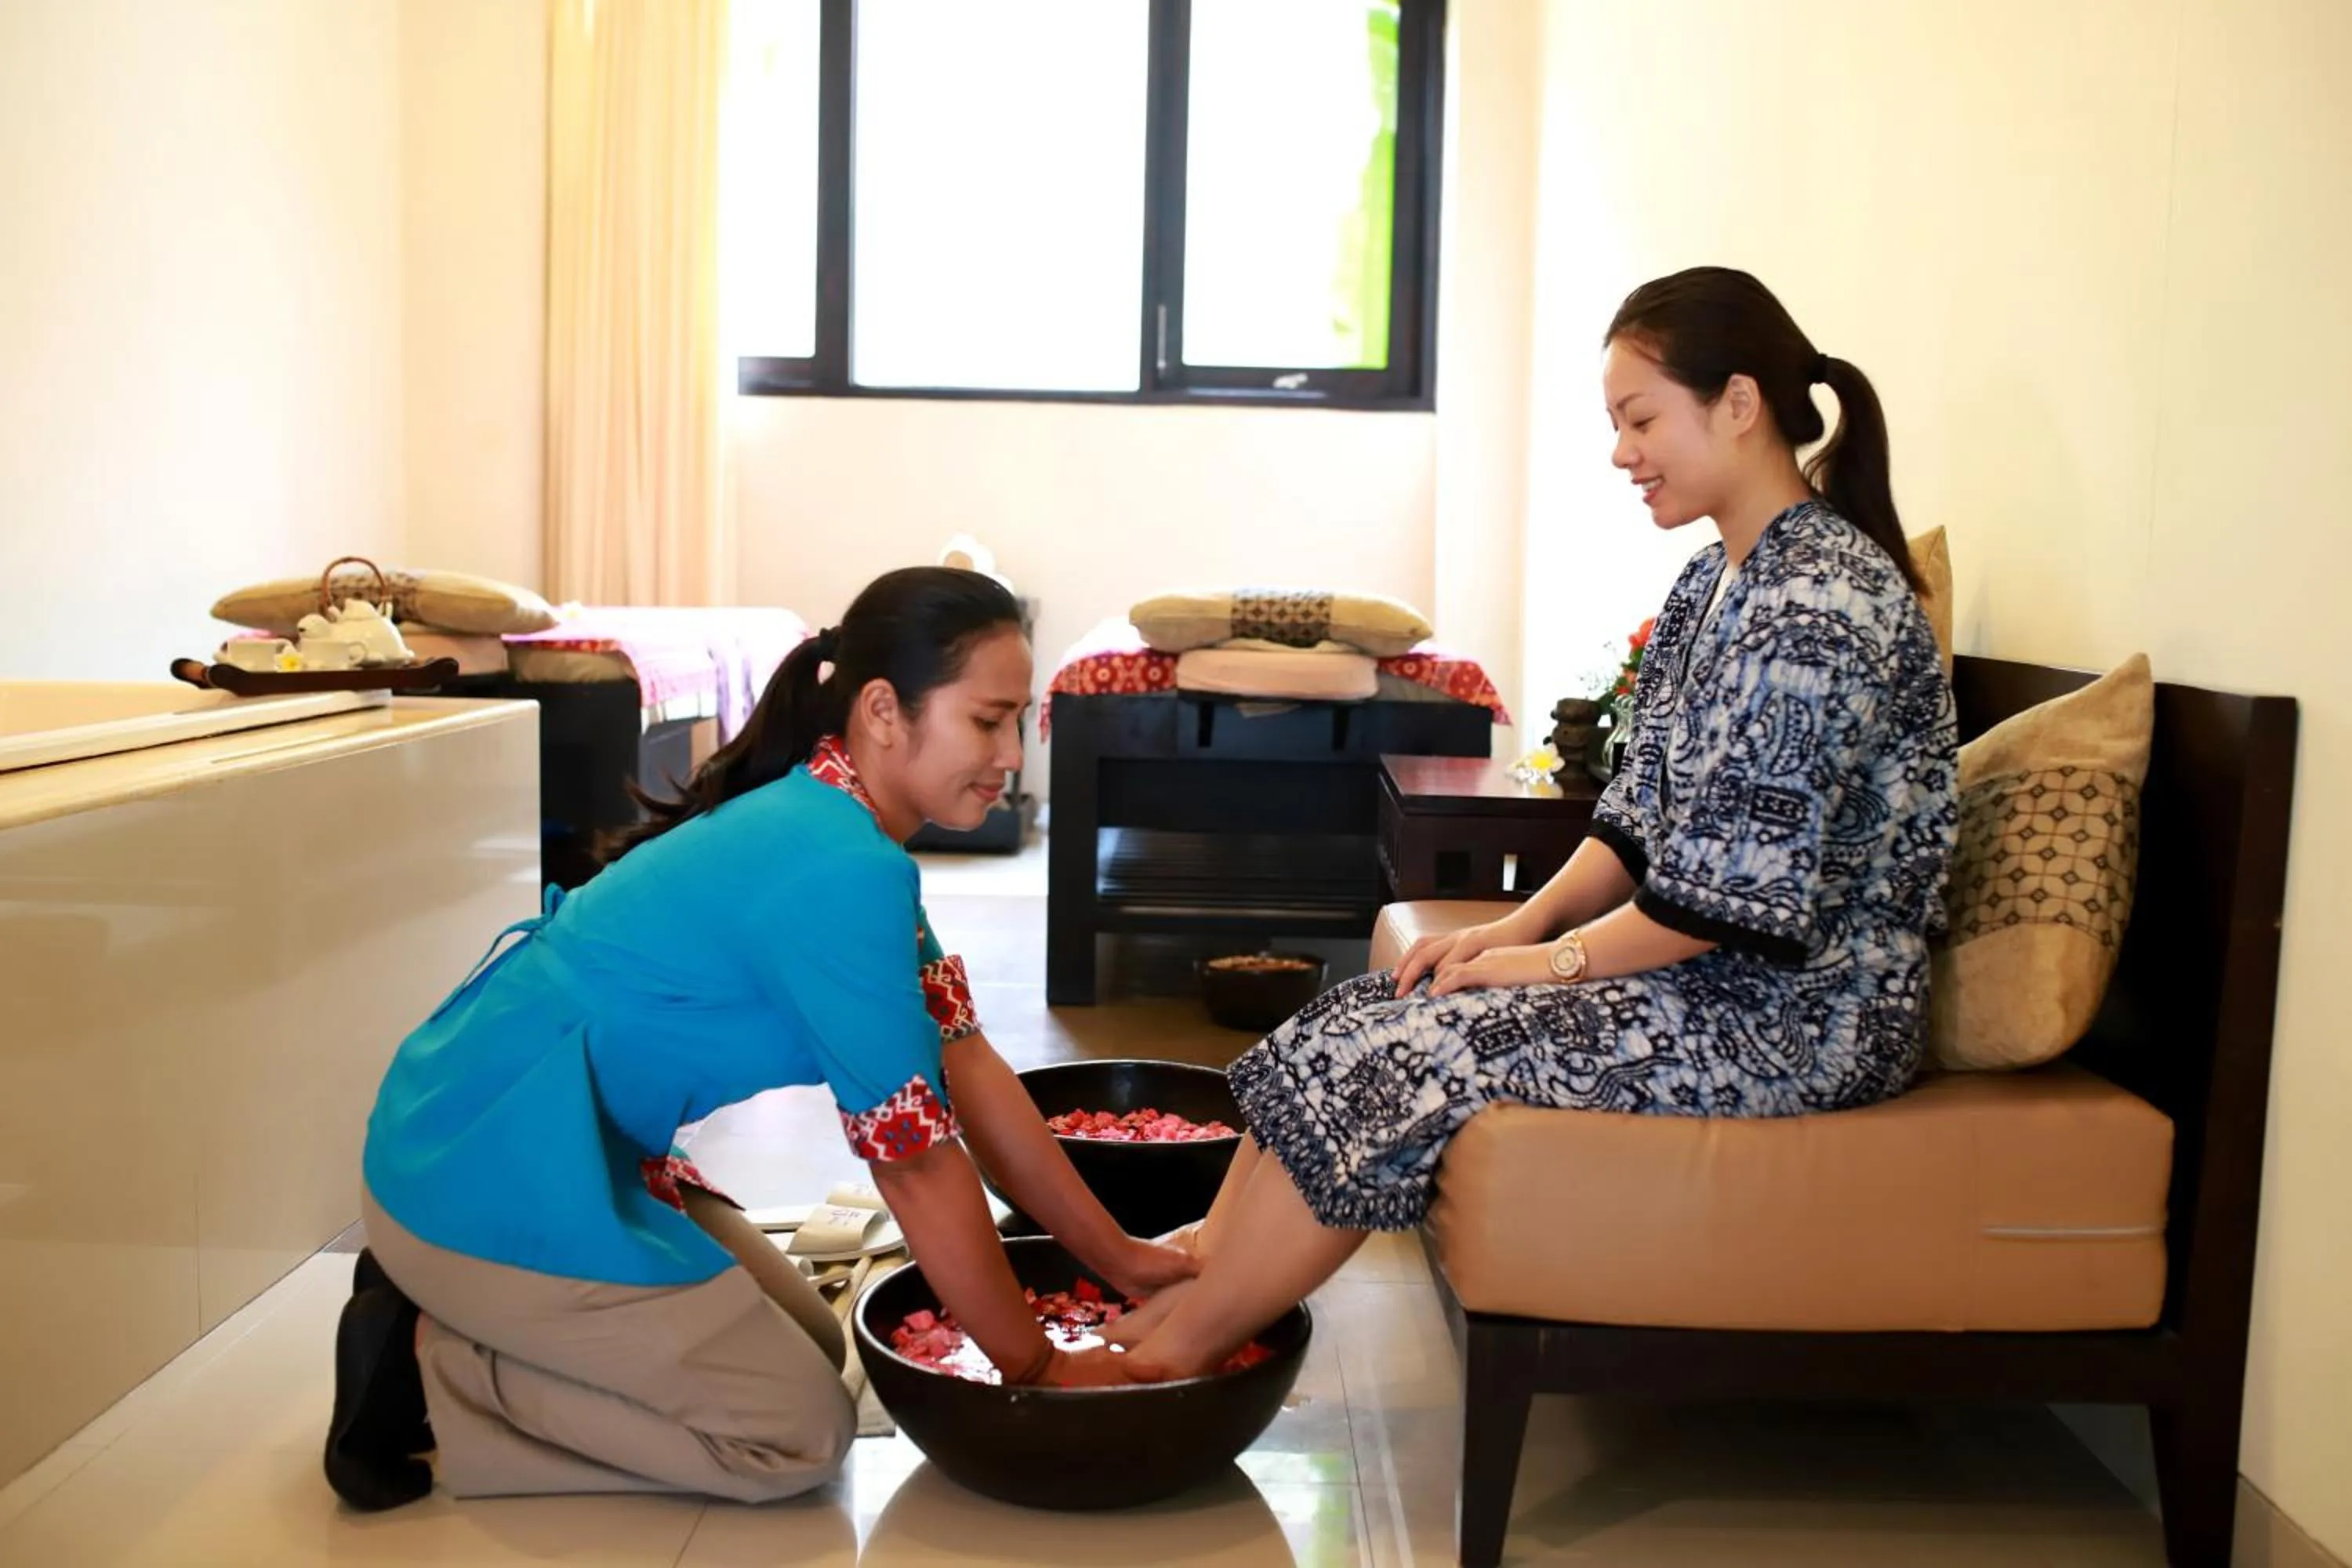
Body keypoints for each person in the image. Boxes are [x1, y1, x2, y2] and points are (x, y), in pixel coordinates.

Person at [1105, 266, 1959, 1380]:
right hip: (1720, 980)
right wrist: (1505, 934)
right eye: (1617, 424)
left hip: (1802, 1017)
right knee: (1370, 1006)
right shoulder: (1717, 585)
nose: (1622, 453)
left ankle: (1180, 1351)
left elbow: (1728, 910)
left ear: (1740, 404)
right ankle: (1203, 1265)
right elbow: (1633, 825)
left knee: (1426, 1054)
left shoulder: (1824, 605)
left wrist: (1544, 969)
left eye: (1640, 418)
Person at [326, 566, 1196, 1511]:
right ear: (882, 709)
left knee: (814, 1349)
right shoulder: (836, 864)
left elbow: (969, 1066)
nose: (1012, 756)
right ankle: (433, 1367)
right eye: (988, 720)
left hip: (535, 1139)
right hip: (479, 1167)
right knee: (794, 1434)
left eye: (1016, 721)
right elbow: (913, 1163)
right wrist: (1031, 1366)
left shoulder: (840, 829)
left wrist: (1121, 1257)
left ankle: (467, 1313)